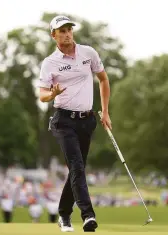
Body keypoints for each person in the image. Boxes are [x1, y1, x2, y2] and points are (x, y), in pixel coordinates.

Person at [38, 15, 112, 232]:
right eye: (61, 31)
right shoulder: (50, 63)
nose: (67, 33)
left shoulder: (88, 53)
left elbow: (104, 79)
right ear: (54, 35)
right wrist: (52, 94)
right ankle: (88, 216)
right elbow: (42, 95)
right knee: (77, 167)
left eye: (69, 29)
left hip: (86, 120)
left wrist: (106, 112)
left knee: (75, 170)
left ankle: (63, 214)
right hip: (64, 121)